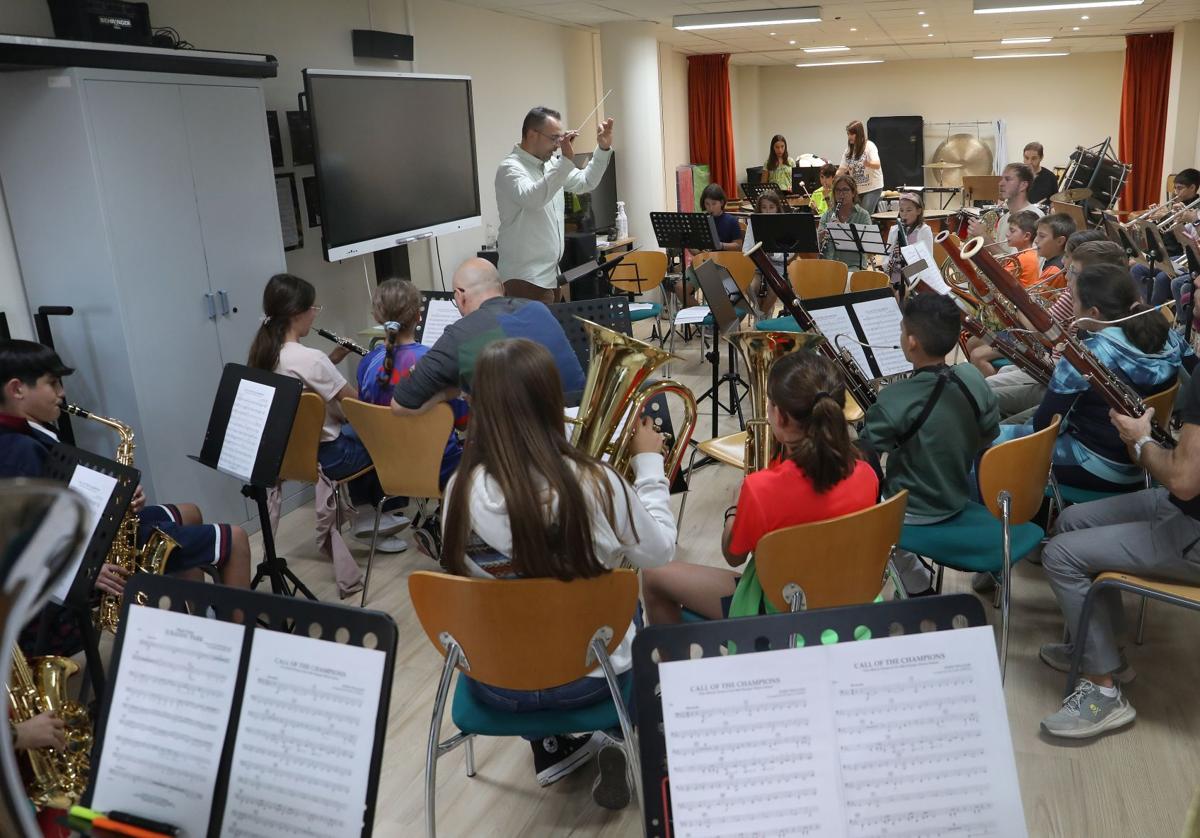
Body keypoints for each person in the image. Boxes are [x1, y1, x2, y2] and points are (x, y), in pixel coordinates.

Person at [440, 338, 674, 808]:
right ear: (553, 401)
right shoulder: (596, 483)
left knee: (516, 600)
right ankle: (621, 730)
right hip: (587, 678)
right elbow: (661, 551)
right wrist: (648, 466)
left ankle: (550, 747)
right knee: (630, 597)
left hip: (498, 682)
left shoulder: (457, 492)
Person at [0, 340, 253, 651]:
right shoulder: (17, 449)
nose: (62, 393)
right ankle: (239, 653)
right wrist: (82, 568)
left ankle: (194, 627)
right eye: (52, 384)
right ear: (17, 389)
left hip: (85, 536)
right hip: (83, 557)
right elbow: (24, 538)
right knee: (236, 539)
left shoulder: (28, 431)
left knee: (189, 512)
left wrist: (119, 496)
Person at [641, 352, 879, 623]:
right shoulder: (866, 473)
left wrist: (733, 509)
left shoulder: (761, 489)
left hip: (780, 613)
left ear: (779, 416)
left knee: (653, 576)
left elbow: (733, 556)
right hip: (850, 606)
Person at [1037, 371, 1200, 739]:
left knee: (1060, 555)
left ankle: (1103, 694)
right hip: (1182, 508)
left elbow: (1185, 481)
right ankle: (1105, 650)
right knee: (1070, 521)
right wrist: (1139, 438)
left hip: (1192, 525)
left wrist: (1141, 442)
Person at [249, 274, 410, 595]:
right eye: (314, 309)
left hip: (289, 457)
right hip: (332, 458)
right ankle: (370, 515)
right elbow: (358, 406)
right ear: (298, 313)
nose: (315, 314)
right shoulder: (311, 359)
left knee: (351, 430)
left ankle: (363, 513)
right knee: (391, 436)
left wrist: (332, 362)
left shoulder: (262, 356)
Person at [993, 263, 1193, 493]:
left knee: (990, 446)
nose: (1073, 307)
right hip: (1148, 460)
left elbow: (1044, 426)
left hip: (1097, 465)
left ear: (1093, 313)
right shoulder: (1168, 335)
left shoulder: (1086, 353)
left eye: (1075, 301)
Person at [862, 294, 1000, 595]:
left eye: (901, 330)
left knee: (863, 512)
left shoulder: (894, 398)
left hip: (914, 510)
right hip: (958, 496)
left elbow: (865, 456)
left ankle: (916, 583)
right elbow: (987, 438)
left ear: (911, 342)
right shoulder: (973, 379)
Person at [392, 258, 585, 417]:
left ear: (459, 295)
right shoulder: (538, 309)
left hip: (528, 447)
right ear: (501, 287)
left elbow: (401, 404)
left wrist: (453, 392)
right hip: (583, 426)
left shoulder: (460, 335)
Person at [986, 233, 1116, 422]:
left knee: (987, 391)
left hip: (1055, 373)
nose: (1064, 268)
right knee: (996, 380)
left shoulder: (1079, 300)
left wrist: (1017, 305)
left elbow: (1043, 332)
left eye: (1071, 267)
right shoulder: (1081, 295)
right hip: (1056, 368)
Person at [495, 106, 615, 304]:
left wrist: (602, 149)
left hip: (551, 275)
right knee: (536, 335)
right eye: (554, 139)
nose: (558, 145)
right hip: (525, 278)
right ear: (532, 134)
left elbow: (585, 182)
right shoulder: (510, 168)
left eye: (561, 139)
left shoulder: (551, 165)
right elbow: (534, 199)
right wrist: (565, 161)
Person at [1131, 168, 1199, 305]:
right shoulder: (1179, 206)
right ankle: (1145, 303)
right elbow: (1180, 239)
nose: (1175, 192)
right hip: (1173, 252)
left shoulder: (1195, 209)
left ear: (1193, 187)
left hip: (1181, 255)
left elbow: (1179, 245)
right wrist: (1158, 221)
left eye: (1179, 188)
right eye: (1175, 188)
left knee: (1164, 278)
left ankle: (1151, 311)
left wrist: (1168, 217)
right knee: (1136, 268)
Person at [968, 163, 1044, 252]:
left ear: (1023, 185)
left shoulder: (1035, 218)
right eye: (1002, 179)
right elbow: (999, 258)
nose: (1000, 183)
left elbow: (1015, 262)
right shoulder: (1003, 219)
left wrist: (983, 237)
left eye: (1008, 179)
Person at [744, 190, 787, 314]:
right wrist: (758, 254)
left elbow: (789, 252)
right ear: (759, 209)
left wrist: (772, 254)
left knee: (775, 289)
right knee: (751, 288)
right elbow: (746, 248)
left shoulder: (783, 223)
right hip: (758, 265)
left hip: (777, 266)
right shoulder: (753, 222)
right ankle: (761, 313)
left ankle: (762, 316)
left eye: (771, 207)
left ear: (777, 208)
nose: (768, 211)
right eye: (764, 207)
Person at [819, 175, 874, 269]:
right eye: (838, 190)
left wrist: (843, 230)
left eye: (845, 190)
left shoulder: (863, 215)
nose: (841, 194)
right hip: (829, 264)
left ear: (853, 193)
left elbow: (869, 246)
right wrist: (820, 237)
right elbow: (817, 242)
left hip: (854, 265)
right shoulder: (827, 215)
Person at [883, 192, 934, 294]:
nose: (904, 214)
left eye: (909, 210)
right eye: (901, 210)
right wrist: (890, 262)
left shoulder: (924, 230)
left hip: (916, 283)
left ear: (919, 211)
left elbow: (927, 263)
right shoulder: (894, 230)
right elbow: (886, 259)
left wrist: (906, 255)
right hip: (894, 281)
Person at [837, 120, 884, 213]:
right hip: (857, 189)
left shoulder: (869, 146)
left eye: (852, 134)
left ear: (859, 134)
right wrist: (834, 179)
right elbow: (841, 169)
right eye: (848, 134)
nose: (849, 137)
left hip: (873, 188)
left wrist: (868, 164)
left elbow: (877, 165)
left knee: (864, 213)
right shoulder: (848, 151)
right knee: (854, 215)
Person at [1033, 212, 1076, 290]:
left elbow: (1028, 299)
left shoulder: (1054, 271)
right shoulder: (1053, 263)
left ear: (1060, 241)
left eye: (1042, 236)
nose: (1036, 240)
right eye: (1037, 235)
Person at [697, 183, 743, 253]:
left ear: (721, 202)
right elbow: (696, 250)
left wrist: (721, 245)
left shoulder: (731, 221)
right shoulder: (701, 221)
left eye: (714, 203)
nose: (710, 208)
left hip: (725, 259)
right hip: (705, 258)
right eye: (707, 204)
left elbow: (738, 246)